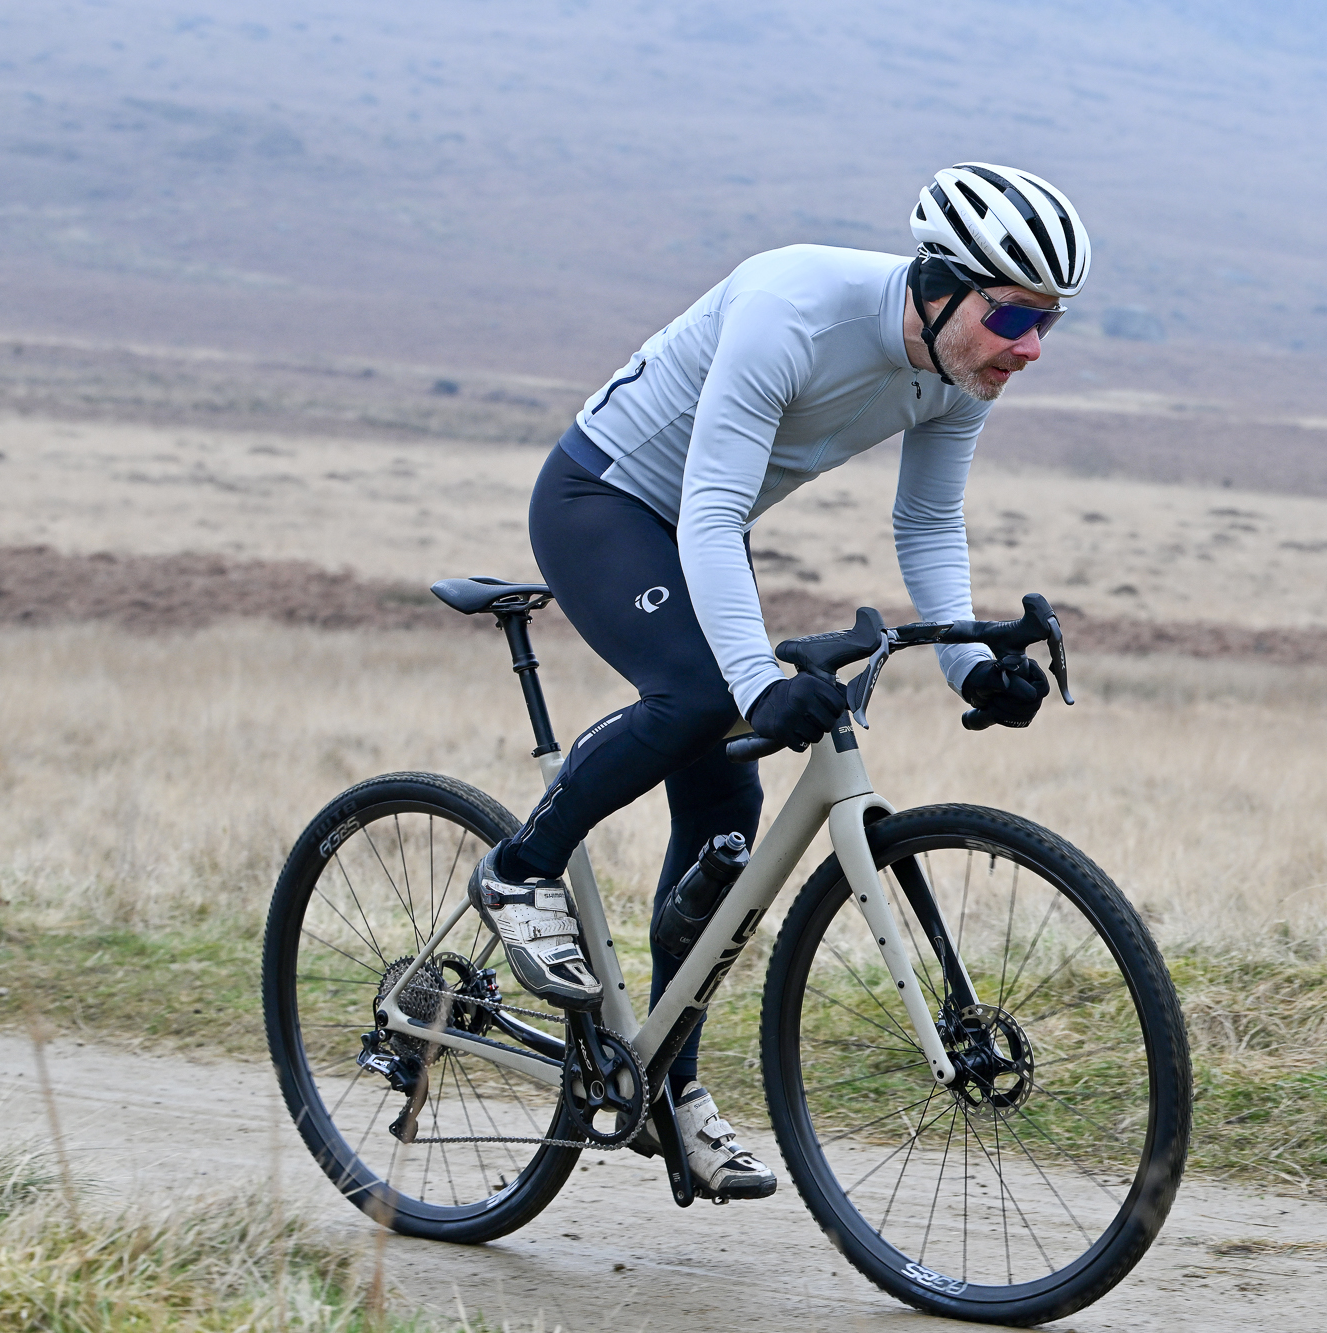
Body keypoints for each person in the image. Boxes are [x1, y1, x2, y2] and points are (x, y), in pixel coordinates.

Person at [468, 163, 1091, 1198]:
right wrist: (755, 679)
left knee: (726, 814)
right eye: (1013, 315)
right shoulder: (790, 309)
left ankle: (668, 1085)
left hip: (700, 533)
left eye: (1048, 324)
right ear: (938, 284)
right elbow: (707, 514)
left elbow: (926, 523)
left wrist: (970, 667)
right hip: (606, 502)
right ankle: (520, 870)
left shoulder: (959, 369)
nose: (1028, 348)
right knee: (704, 699)